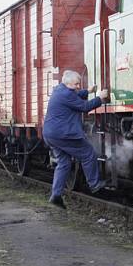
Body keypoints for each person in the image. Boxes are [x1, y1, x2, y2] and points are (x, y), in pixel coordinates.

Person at [43, 70, 104, 208]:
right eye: (76, 84)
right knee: (88, 153)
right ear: (68, 83)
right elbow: (84, 106)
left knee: (64, 163)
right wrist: (100, 97)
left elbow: (75, 94)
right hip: (63, 134)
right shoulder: (66, 94)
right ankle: (94, 184)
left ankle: (56, 195)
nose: (78, 86)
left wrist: (87, 91)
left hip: (51, 134)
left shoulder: (60, 89)